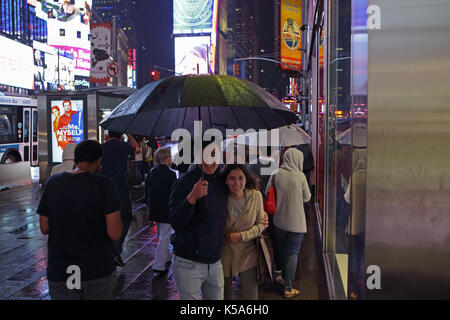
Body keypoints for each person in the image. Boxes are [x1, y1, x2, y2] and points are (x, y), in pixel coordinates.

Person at [37, 140, 123, 300]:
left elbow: (44, 227)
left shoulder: (53, 183)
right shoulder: (104, 185)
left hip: (62, 269)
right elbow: (115, 233)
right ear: (98, 161)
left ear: (75, 160)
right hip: (97, 269)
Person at [169, 141, 228, 300]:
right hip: (188, 263)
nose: (210, 160)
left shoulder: (222, 181)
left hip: (215, 261)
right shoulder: (184, 182)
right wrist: (192, 198)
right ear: (197, 155)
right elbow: (176, 222)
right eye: (205, 155)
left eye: (214, 154)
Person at [220, 164, 267, 300]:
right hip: (224, 253)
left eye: (241, 178)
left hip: (248, 253)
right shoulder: (221, 197)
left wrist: (242, 236)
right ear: (226, 180)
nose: (237, 183)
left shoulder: (255, 196)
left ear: (246, 179)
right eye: (232, 179)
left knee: (251, 296)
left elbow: (261, 225)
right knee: (225, 295)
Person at [273, 148, 311, 299]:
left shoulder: (277, 174)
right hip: (296, 223)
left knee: (283, 250)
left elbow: (270, 191)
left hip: (279, 221)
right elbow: (307, 198)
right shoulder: (300, 176)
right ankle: (288, 288)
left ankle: (282, 277)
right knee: (292, 253)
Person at [100, 131, 135, 267]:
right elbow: (137, 150)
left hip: (104, 188)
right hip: (121, 188)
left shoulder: (101, 147)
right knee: (126, 218)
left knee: (104, 219)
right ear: (121, 135)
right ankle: (115, 250)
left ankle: (108, 250)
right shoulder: (125, 146)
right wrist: (129, 134)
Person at [145, 147, 177, 275]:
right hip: (166, 209)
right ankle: (158, 264)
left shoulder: (152, 172)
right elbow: (174, 192)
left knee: (160, 234)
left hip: (155, 207)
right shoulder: (171, 174)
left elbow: (147, 189)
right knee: (165, 236)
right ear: (166, 158)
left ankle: (167, 255)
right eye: (170, 156)